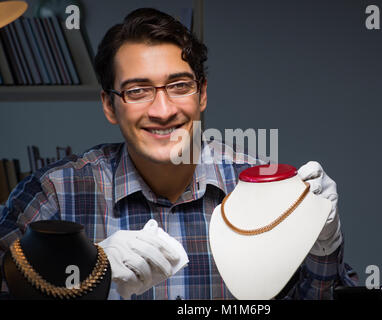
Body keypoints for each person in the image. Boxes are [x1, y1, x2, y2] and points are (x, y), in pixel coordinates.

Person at [0, 8, 357, 300]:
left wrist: (324, 247)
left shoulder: (264, 187)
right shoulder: (56, 192)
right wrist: (88, 274)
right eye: (138, 90)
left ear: (202, 95)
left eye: (179, 86)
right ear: (110, 105)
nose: (163, 110)